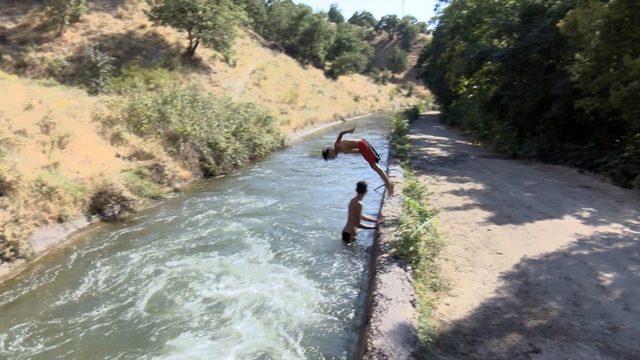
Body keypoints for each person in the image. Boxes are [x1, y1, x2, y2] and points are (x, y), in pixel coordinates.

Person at [322, 128, 394, 196]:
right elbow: (357, 151)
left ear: (330, 151)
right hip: (362, 146)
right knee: (374, 166)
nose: (333, 158)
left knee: (374, 166)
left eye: (330, 157)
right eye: (331, 159)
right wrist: (364, 153)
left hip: (362, 144)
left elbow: (341, 133)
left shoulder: (336, 146)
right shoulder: (342, 151)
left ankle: (389, 185)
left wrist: (350, 131)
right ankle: (388, 183)